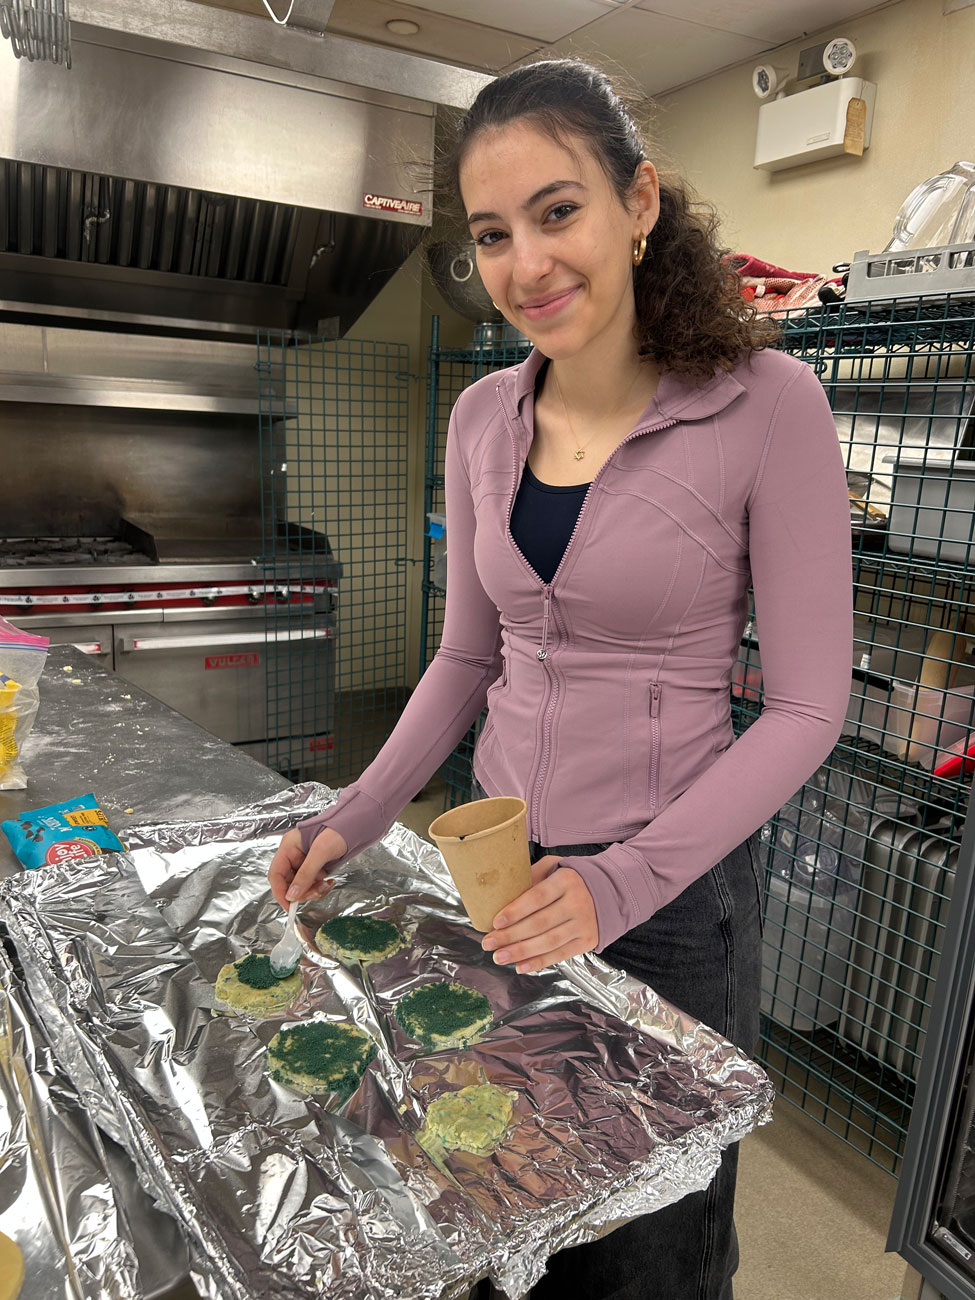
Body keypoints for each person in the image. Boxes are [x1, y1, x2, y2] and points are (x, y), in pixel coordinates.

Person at [268, 58, 853, 1300]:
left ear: (639, 204)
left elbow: (809, 705)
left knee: (651, 1243)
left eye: (557, 210)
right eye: (491, 234)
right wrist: (354, 816)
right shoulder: (483, 417)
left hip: (672, 886)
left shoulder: (766, 406)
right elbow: (468, 655)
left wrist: (625, 882)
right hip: (504, 874)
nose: (526, 264)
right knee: (515, 1192)